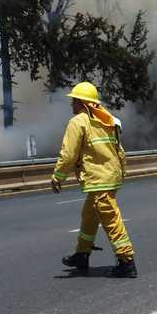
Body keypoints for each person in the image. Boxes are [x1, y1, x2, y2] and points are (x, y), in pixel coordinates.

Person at [52, 81, 138, 278]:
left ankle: (127, 262)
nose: (71, 105)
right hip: (111, 175)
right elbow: (118, 149)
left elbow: (68, 154)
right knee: (89, 215)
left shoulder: (78, 122)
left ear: (83, 103)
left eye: (74, 101)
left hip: (99, 178)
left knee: (111, 220)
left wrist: (58, 176)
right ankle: (82, 255)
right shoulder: (108, 119)